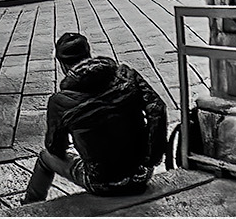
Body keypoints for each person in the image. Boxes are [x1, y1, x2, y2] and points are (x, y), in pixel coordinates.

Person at [22, 32, 169, 202]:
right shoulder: (126, 75)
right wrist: (152, 158)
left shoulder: (59, 102)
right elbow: (157, 108)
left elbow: (55, 148)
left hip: (101, 182)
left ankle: (28, 206)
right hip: (142, 174)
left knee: (45, 157)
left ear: (62, 65)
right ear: (88, 54)